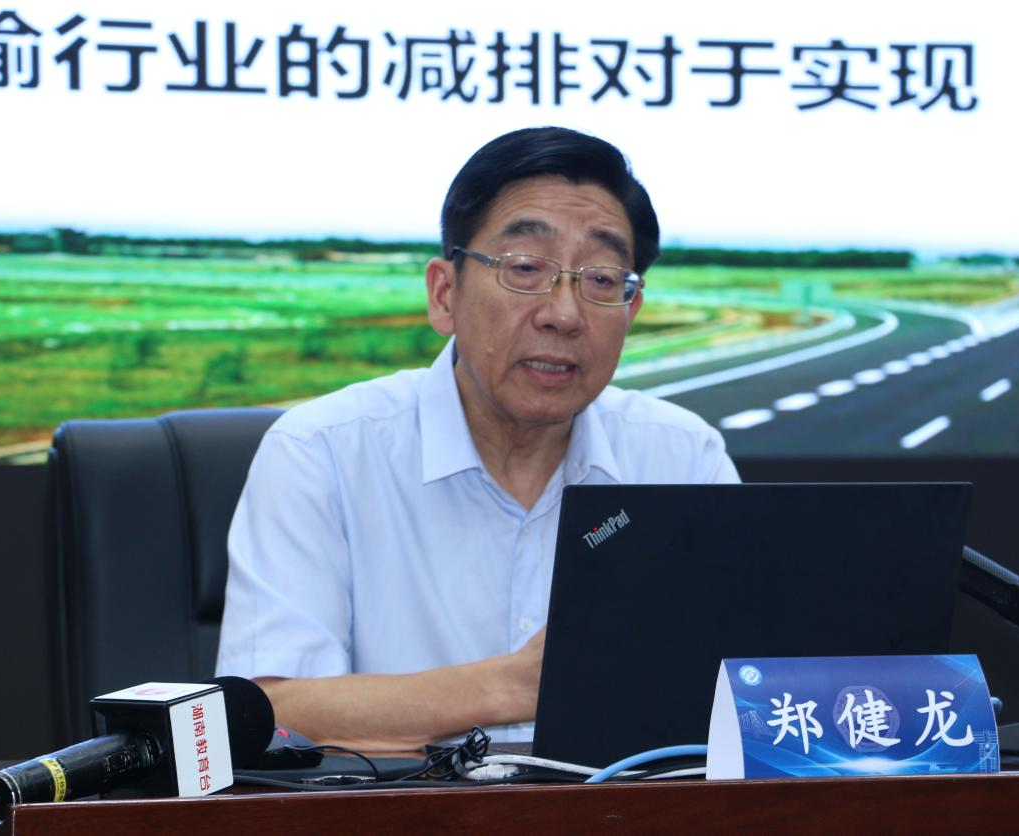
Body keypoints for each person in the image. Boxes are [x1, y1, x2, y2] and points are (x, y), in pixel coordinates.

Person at [215, 127, 739, 750]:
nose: (564, 314)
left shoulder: (683, 458)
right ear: (445, 294)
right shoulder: (321, 452)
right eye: (526, 268)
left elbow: (750, 692)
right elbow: (268, 712)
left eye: (601, 279)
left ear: (631, 310)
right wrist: (517, 686)